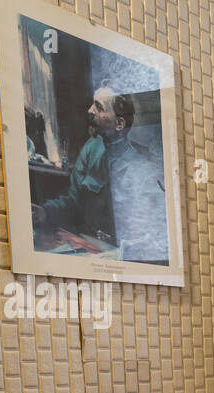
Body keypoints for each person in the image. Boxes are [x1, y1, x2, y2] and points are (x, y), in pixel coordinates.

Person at [32, 81, 168, 263]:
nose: (90, 111)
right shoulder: (91, 148)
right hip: (90, 249)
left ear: (119, 123)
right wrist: (45, 212)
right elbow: (73, 200)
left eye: (99, 107)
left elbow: (155, 234)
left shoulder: (141, 167)